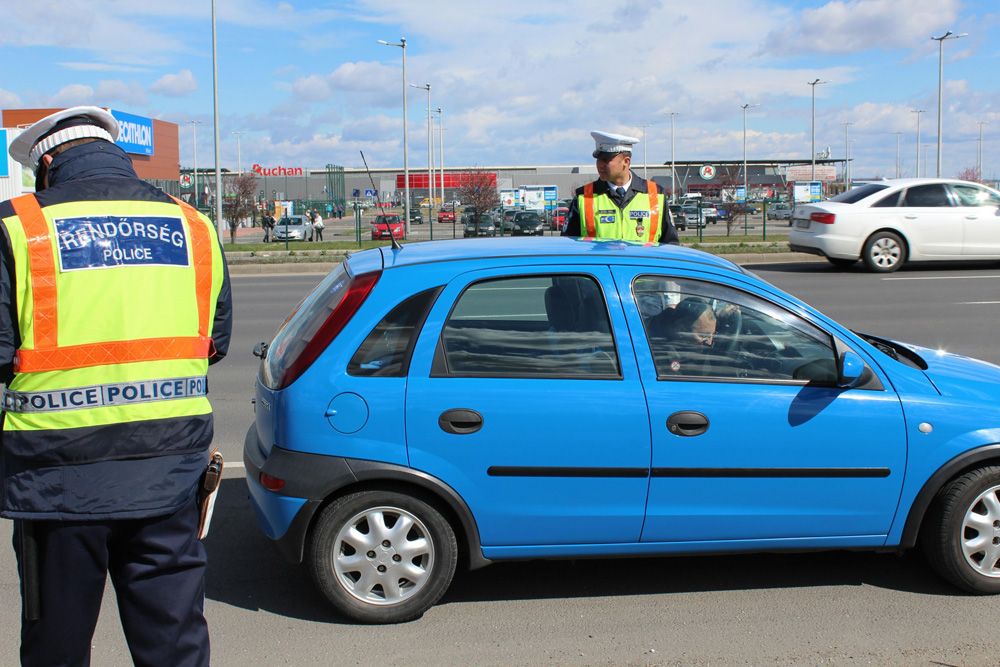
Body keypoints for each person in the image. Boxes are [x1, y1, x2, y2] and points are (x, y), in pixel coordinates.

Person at [1, 106, 232, 666]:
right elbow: (215, 341)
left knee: (57, 645)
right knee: (174, 645)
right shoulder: (194, 225)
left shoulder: (18, 225)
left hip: (57, 483)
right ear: (118, 155)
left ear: (48, 163)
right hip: (169, 474)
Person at [562, 131, 679, 244]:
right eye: (598, 159)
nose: (599, 165)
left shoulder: (656, 194)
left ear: (626, 162)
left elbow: (671, 244)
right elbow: (568, 245)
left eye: (606, 160)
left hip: (643, 264)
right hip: (600, 264)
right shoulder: (584, 196)